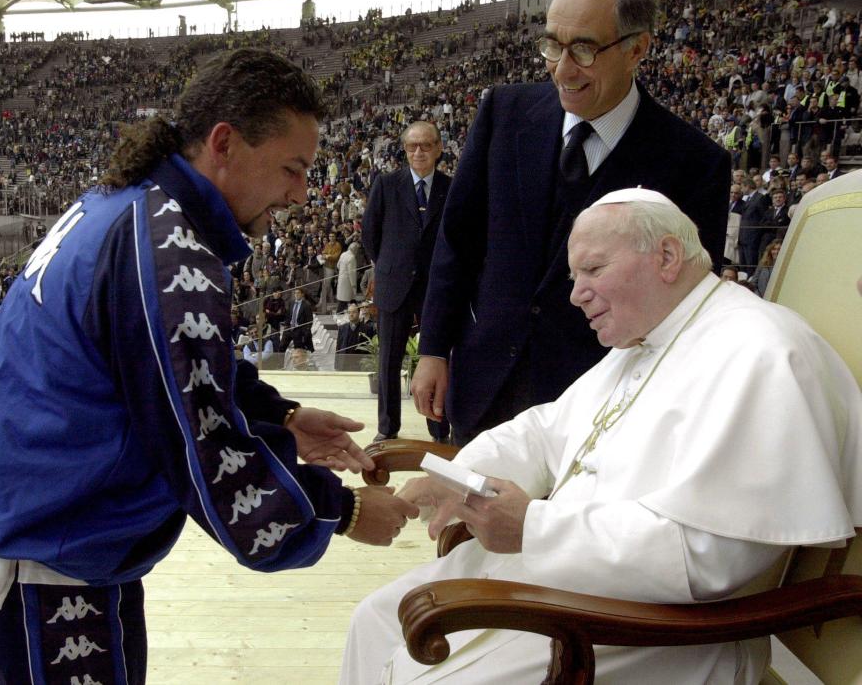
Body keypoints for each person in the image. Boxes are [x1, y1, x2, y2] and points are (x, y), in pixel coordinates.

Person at [0, 49, 417, 685]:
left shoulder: (126, 203)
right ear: (224, 143)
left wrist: (279, 416)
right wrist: (338, 513)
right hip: (47, 554)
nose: (301, 193)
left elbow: (154, 365)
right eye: (292, 169)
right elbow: (202, 452)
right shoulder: (169, 251)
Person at [341, 188, 862, 684]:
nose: (575, 294)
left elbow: (710, 559)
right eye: (574, 275)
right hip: (573, 579)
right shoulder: (649, 338)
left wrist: (533, 529)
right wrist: (460, 476)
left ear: (666, 257)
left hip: (654, 633)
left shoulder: (760, 353)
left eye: (593, 269)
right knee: (375, 621)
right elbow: (548, 431)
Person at [411, 0, 731, 446]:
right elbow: (457, 239)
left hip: (604, 414)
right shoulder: (503, 112)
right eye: (552, 46)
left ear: (637, 48)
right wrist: (434, 349)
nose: (562, 69)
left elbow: (689, 306)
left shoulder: (694, 164)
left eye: (583, 49)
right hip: (485, 388)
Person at [362, 121, 452, 443]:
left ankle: (440, 429)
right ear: (404, 149)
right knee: (389, 360)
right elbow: (369, 236)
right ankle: (387, 429)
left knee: (437, 357)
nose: (419, 152)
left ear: (439, 148)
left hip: (436, 288)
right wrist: (389, 266)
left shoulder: (450, 186)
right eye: (413, 146)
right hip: (394, 284)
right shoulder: (386, 185)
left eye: (426, 145)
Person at [281, 286, 314, 352]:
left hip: (299, 329)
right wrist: (286, 326)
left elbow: (309, 320)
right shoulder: (291, 303)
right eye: (295, 293)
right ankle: (280, 361)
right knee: (281, 347)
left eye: (298, 293)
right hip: (289, 328)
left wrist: (305, 331)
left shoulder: (306, 305)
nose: (296, 295)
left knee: (298, 349)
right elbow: (288, 315)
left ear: (302, 294)